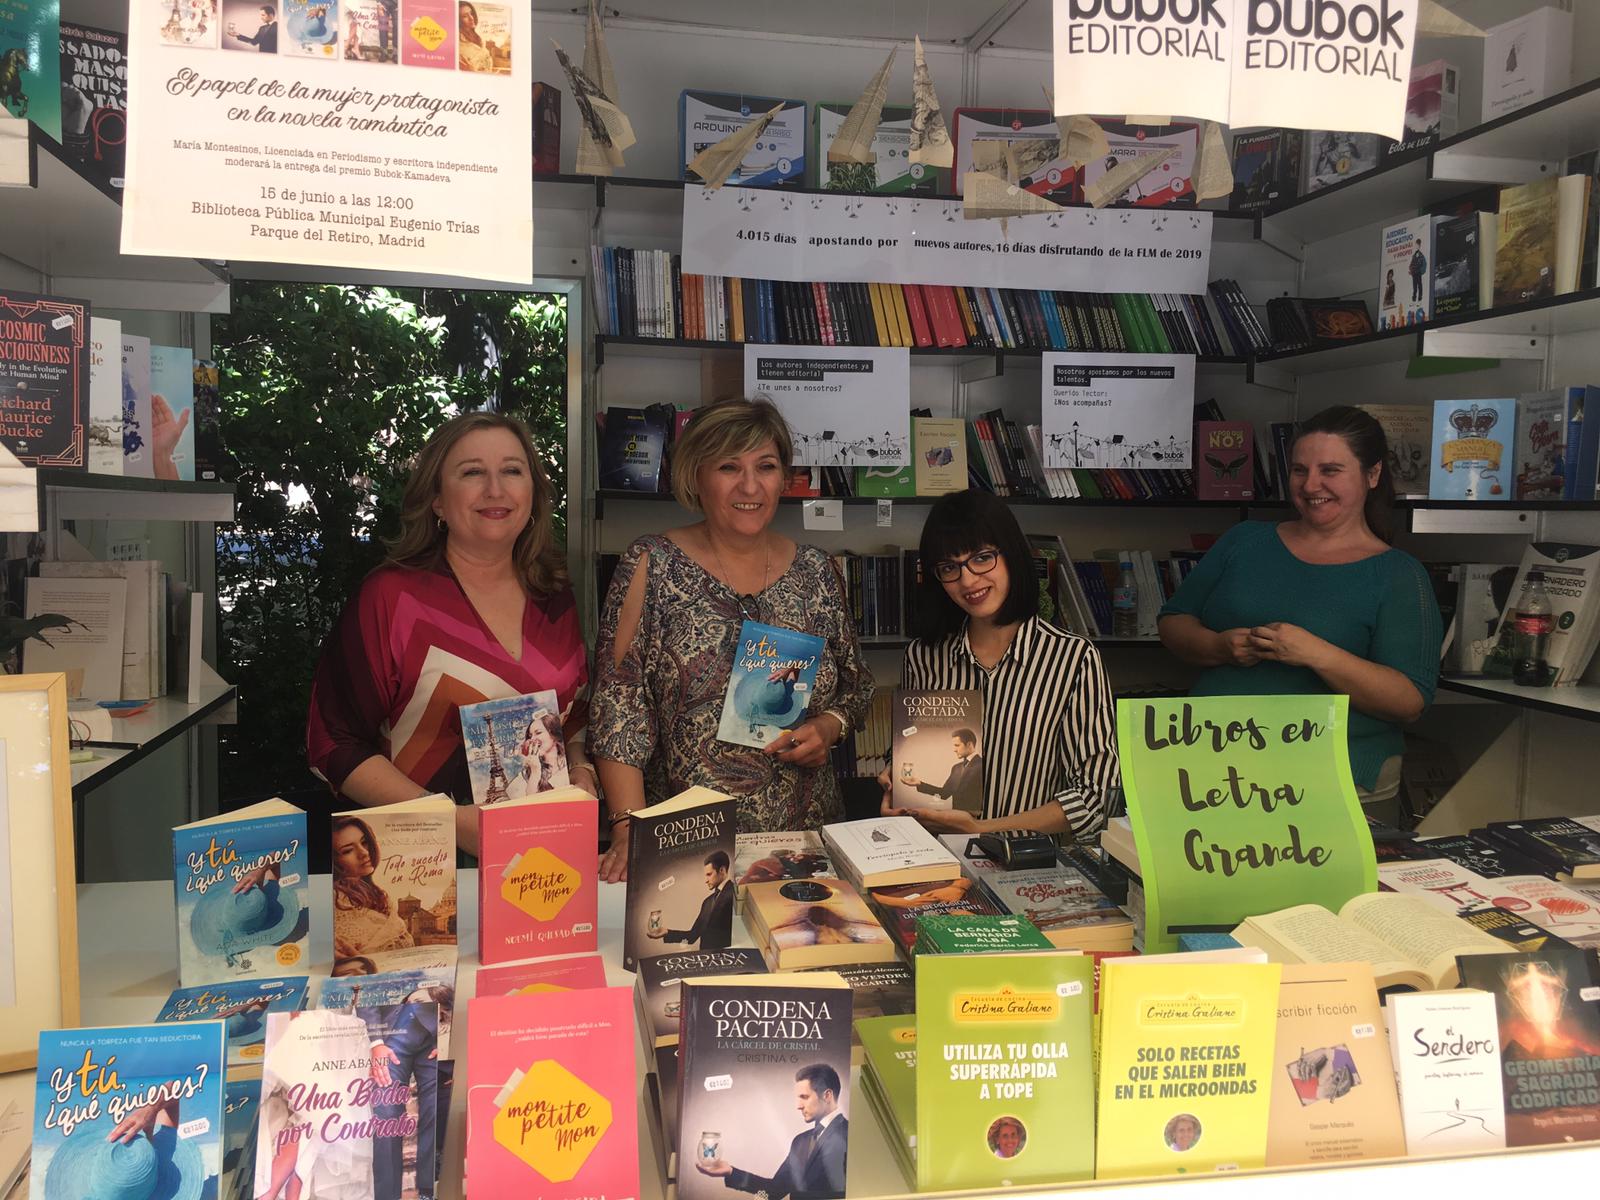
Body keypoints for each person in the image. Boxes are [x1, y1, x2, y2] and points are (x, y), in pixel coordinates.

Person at [593, 399, 874, 878]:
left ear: (783, 478)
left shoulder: (817, 571)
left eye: (765, 466)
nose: (750, 486)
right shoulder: (652, 564)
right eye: (729, 467)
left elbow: (857, 687)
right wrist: (626, 827)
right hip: (687, 847)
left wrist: (829, 728)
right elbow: (617, 706)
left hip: (803, 845)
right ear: (696, 476)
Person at [306, 412, 594, 857]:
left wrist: (581, 770)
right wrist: (447, 820)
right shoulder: (392, 598)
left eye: (512, 471)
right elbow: (331, 743)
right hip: (423, 864)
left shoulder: (552, 595)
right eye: (473, 472)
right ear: (437, 500)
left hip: (544, 859)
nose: (495, 489)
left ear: (533, 493)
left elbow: (572, 717)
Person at [1158, 406, 1443, 798]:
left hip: (1333, 776)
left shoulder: (1399, 575)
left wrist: (1316, 654)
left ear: (1373, 474)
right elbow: (1173, 621)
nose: (1310, 485)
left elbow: (1409, 701)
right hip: (1208, 762)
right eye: (1299, 470)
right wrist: (1218, 647)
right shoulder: (1244, 541)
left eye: (1330, 470)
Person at [880, 490, 1118, 840]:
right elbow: (914, 748)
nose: (968, 580)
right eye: (949, 567)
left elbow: (1095, 796)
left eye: (982, 558)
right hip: (938, 855)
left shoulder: (1074, 659)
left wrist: (982, 830)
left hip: (1027, 860)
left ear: (1012, 555)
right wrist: (896, 776)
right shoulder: (923, 656)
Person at [697, 1064, 848, 1199]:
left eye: (804, 1097)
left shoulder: (851, 1136)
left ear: (827, 1095)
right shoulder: (800, 1141)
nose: (798, 1106)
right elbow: (774, 1192)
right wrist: (730, 1172)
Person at [361, 999, 439, 1200]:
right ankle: (386, 1196)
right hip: (392, 1029)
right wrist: (376, 1042)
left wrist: (449, 1034)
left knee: (435, 1104)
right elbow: (364, 992)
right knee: (385, 1112)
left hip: (436, 1032)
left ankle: (428, 1192)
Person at [332, 815, 413, 959]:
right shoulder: (335, 901)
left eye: (364, 842)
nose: (364, 853)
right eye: (348, 850)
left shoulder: (380, 897)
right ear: (334, 861)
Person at [645, 850, 733, 950]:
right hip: (704, 957)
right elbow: (692, 936)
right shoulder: (707, 902)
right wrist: (667, 932)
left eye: (709, 874)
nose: (706, 880)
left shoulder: (734, 894)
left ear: (722, 870)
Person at [903, 728, 983, 811]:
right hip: (955, 816)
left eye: (957, 745)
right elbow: (944, 794)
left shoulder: (983, 765)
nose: (954, 750)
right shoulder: (956, 768)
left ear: (969, 744)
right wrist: (919, 784)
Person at [510, 710, 565, 796]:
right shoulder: (524, 776)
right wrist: (535, 772)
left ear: (554, 734)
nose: (532, 739)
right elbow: (530, 801)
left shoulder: (568, 764)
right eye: (530, 736)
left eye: (538, 733)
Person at [457, 1, 492, 71]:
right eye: (465, 16)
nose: (471, 18)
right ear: (459, 21)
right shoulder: (458, 45)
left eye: (471, 13)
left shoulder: (479, 39)